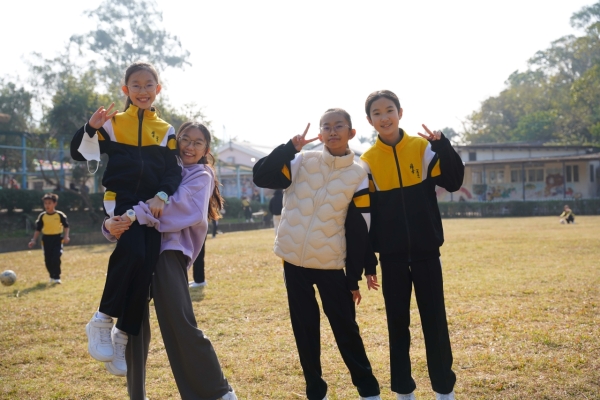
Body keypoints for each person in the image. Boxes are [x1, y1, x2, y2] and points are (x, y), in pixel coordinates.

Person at [253, 108, 382, 400]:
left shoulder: (359, 173)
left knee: (346, 329)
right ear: (320, 133)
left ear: (351, 132)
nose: (332, 131)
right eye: (326, 127)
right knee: (305, 330)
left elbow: (361, 226)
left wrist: (360, 272)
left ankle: (369, 390)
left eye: (339, 126)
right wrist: (289, 148)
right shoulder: (301, 160)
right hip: (293, 262)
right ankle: (315, 390)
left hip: (331, 265)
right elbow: (260, 176)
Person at [103, 122, 236, 400]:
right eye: (185, 139)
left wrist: (135, 215)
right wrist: (109, 225)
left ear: (206, 150)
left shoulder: (202, 174)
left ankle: (219, 393)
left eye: (198, 142)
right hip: (141, 248)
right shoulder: (161, 166)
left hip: (169, 252)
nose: (190, 146)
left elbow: (176, 209)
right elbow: (128, 196)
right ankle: (136, 395)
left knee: (180, 324)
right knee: (134, 325)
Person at [70, 61, 182, 375]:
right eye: (136, 85)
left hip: (153, 207)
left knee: (146, 268)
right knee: (132, 252)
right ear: (126, 90)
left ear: (158, 89)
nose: (143, 91)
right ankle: (101, 319)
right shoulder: (113, 123)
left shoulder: (166, 130)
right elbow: (78, 153)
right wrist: (90, 127)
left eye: (148, 85)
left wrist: (162, 195)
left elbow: (173, 171)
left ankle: (122, 336)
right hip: (122, 202)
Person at [360, 90, 465, 400]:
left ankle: (444, 390)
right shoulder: (367, 162)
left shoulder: (422, 149)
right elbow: (365, 217)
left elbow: (454, 181)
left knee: (435, 323)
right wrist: (369, 261)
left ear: (400, 113)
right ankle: (404, 391)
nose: (384, 117)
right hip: (391, 259)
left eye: (389, 110)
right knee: (397, 326)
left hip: (427, 254)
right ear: (369, 120)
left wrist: (443, 145)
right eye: (377, 113)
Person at [28, 193, 70, 284]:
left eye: (49, 203)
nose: (47, 205)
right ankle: (52, 276)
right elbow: (38, 229)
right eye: (45, 203)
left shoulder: (60, 215)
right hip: (46, 240)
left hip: (57, 239)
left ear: (55, 204)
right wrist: (33, 240)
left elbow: (66, 226)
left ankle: (57, 277)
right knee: (48, 260)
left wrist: (66, 236)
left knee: (56, 257)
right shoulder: (42, 216)